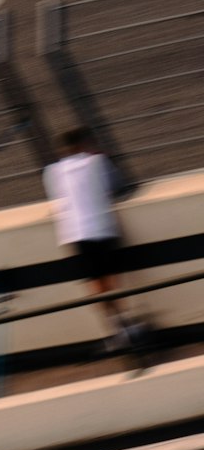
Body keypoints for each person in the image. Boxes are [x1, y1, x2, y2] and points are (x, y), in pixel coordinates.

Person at [43, 126, 143, 352]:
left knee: (96, 285)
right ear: (84, 144)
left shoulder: (52, 171)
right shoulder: (97, 162)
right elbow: (116, 186)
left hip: (74, 232)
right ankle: (126, 324)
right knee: (112, 281)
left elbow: (57, 198)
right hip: (101, 227)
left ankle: (116, 328)